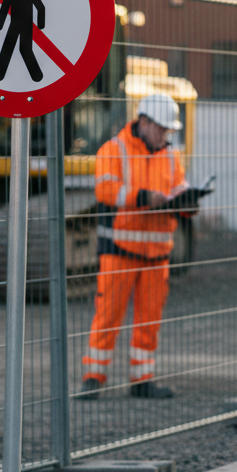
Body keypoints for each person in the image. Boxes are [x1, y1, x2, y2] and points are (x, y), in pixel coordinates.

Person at [79, 94, 198, 399]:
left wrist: (188, 203)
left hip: (157, 254)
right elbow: (106, 190)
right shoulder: (113, 149)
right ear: (143, 122)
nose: (165, 135)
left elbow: (179, 187)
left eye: (168, 130)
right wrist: (144, 197)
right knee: (108, 316)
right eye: (161, 129)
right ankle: (93, 377)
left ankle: (142, 380)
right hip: (119, 250)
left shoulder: (170, 156)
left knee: (149, 319)